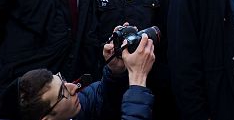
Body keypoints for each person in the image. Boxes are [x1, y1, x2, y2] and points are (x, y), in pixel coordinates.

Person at [16, 32, 155, 120]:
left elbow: (101, 102)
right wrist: (138, 79)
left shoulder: (74, 108)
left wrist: (115, 73)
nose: (73, 87)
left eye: (62, 81)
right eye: (62, 92)